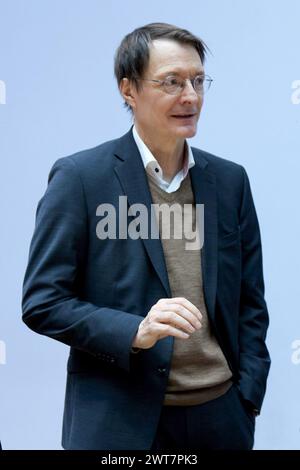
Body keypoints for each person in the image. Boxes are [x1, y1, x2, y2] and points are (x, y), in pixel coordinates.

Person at [22, 22, 270, 450]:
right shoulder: (81, 178)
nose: (190, 96)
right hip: (121, 422)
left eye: (197, 80)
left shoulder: (230, 181)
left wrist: (247, 396)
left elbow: (251, 302)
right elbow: (43, 302)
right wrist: (134, 330)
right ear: (128, 90)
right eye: (171, 82)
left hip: (221, 418)